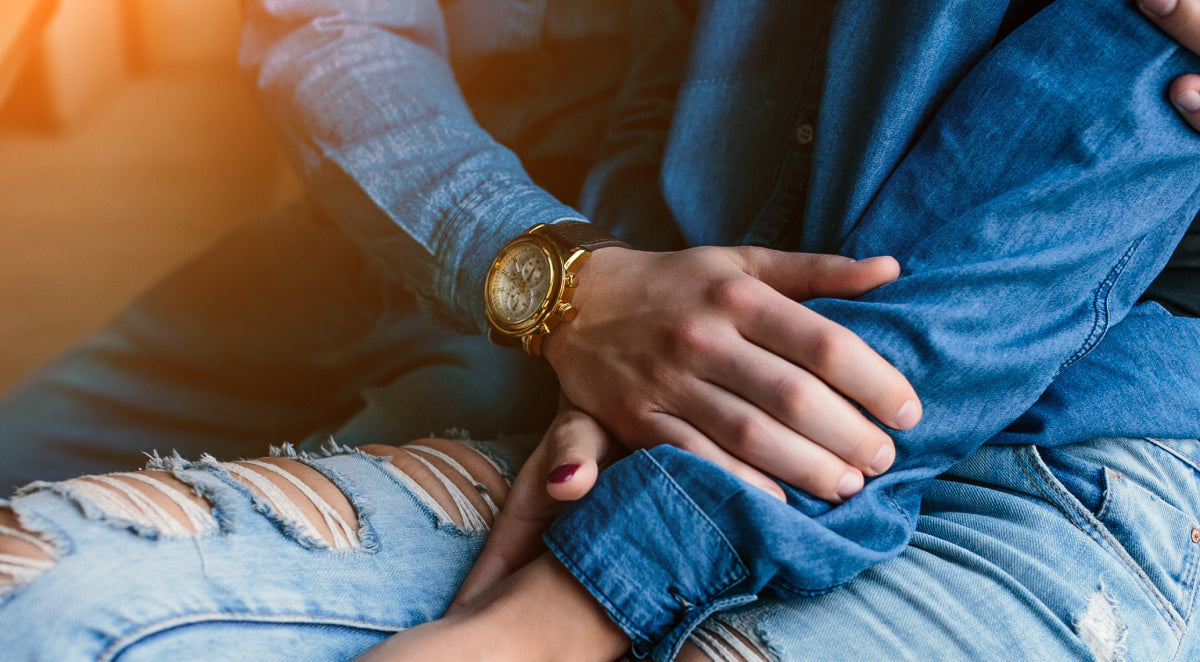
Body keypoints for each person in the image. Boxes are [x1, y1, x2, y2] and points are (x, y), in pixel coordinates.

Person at [1, 0, 1200, 661]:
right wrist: (582, 283)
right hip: (484, 242)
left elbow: (1066, 175)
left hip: (985, 399)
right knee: (29, 556)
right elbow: (320, 26)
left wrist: (562, 613)